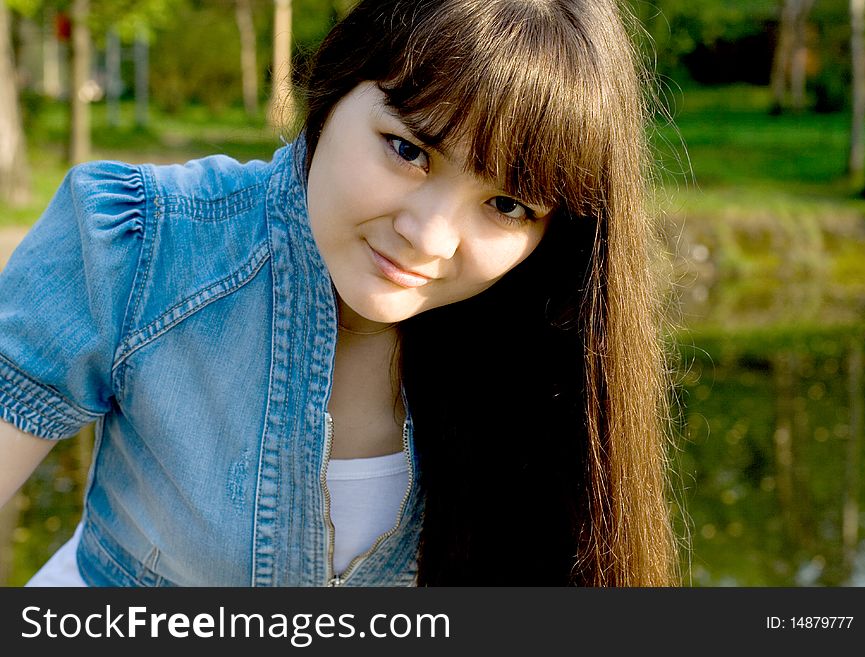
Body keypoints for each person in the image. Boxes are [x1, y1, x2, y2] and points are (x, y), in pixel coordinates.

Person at [0, 0, 677, 586]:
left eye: (505, 203)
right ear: (333, 85)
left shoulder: (542, 350)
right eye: (409, 150)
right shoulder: (143, 244)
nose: (430, 239)